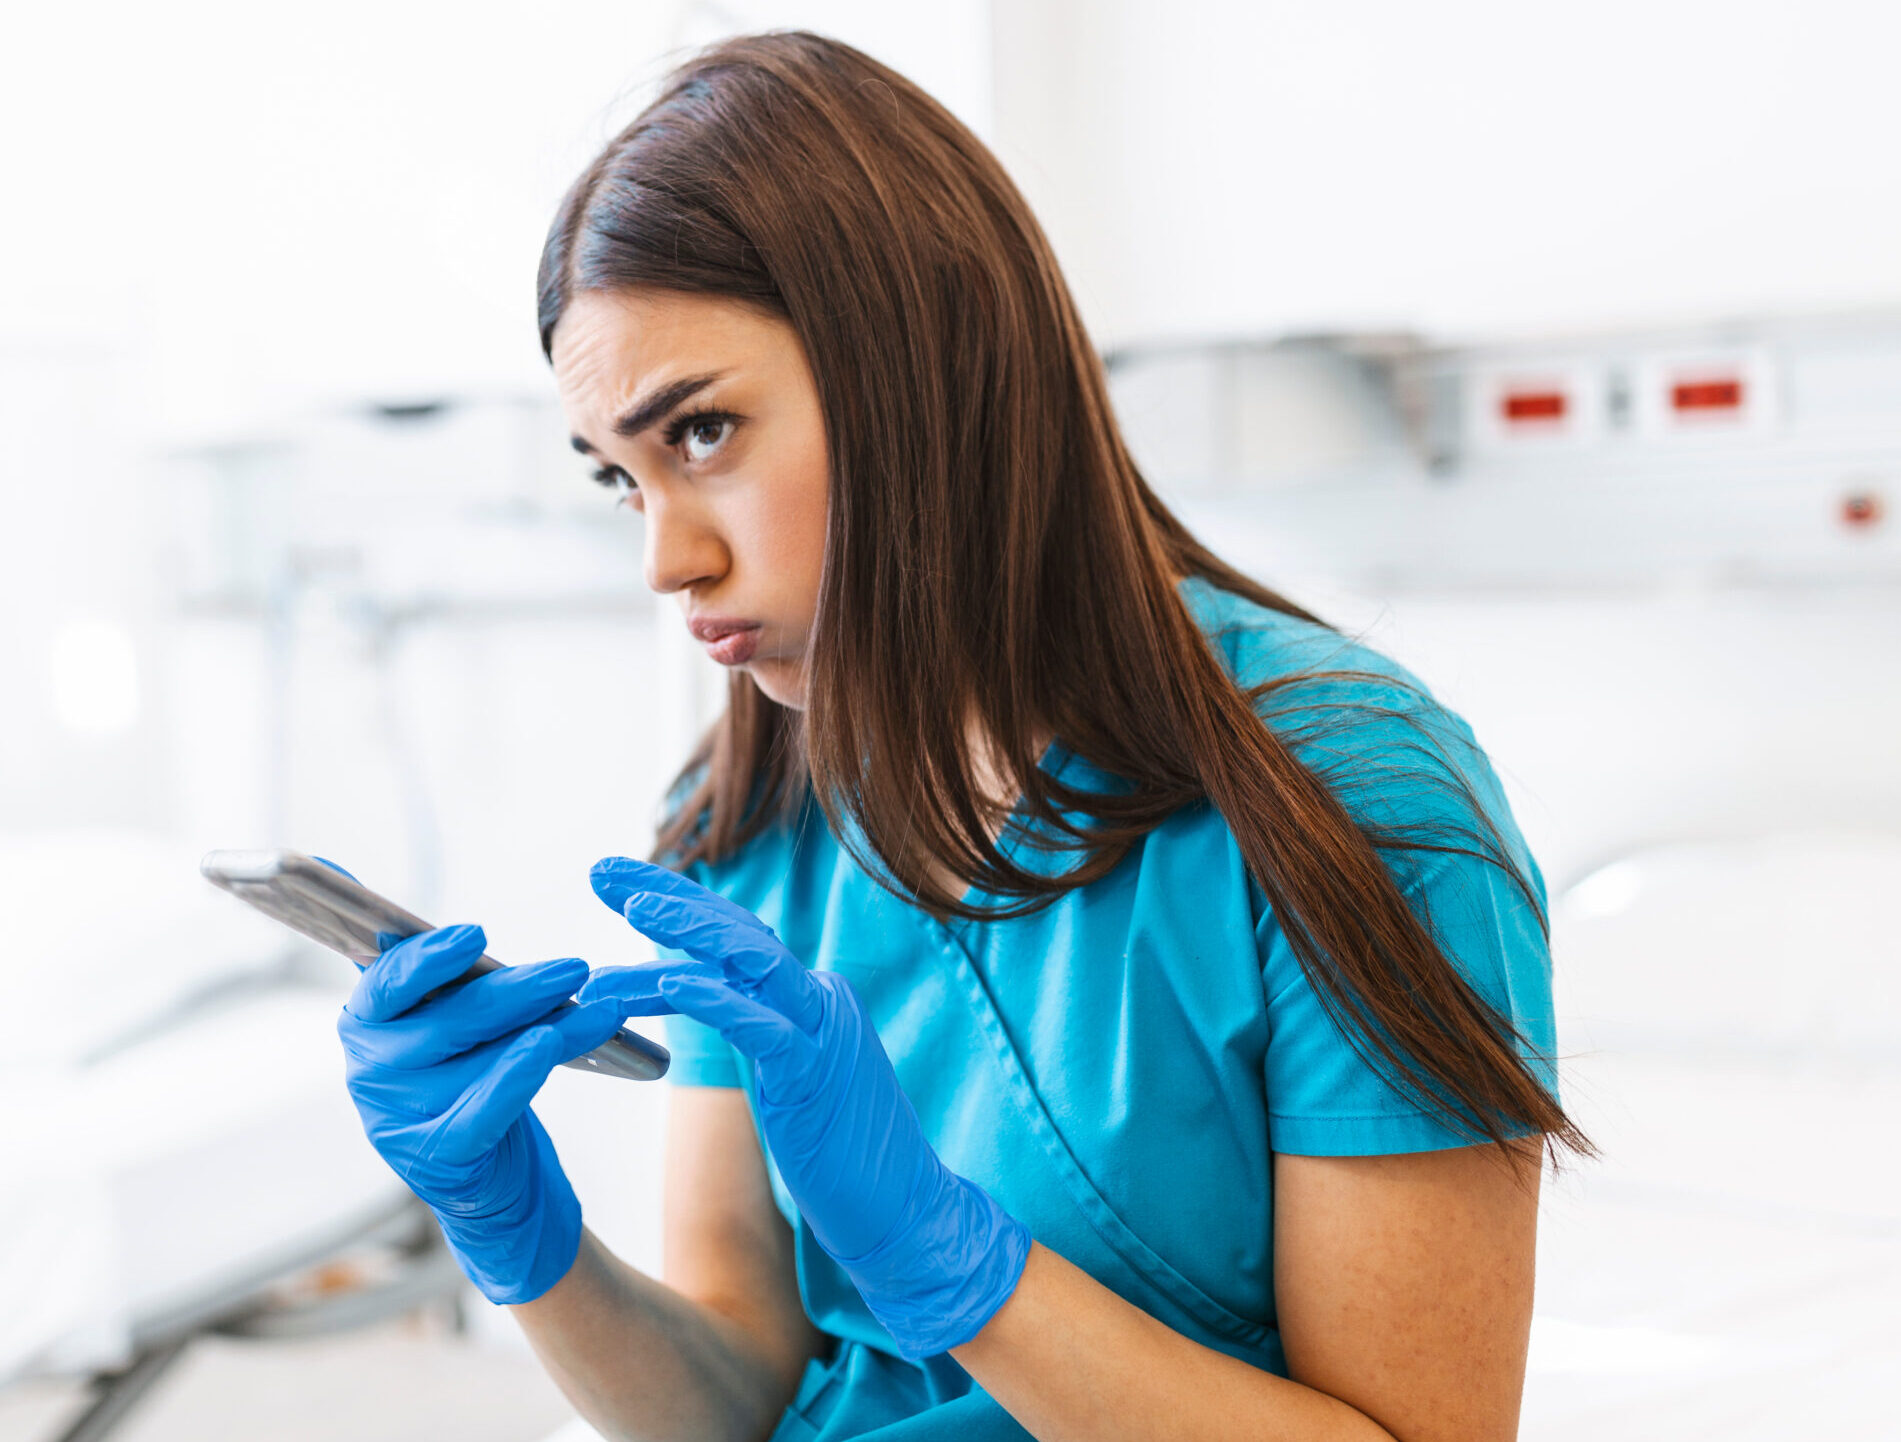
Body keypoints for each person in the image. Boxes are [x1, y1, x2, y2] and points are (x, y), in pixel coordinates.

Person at [333, 31, 1583, 1442]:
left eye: (702, 434)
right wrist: (528, 1245)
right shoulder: (753, 821)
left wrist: (960, 1269)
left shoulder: (1351, 798)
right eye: (622, 479)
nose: (666, 560)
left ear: (925, 368)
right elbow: (738, 1394)